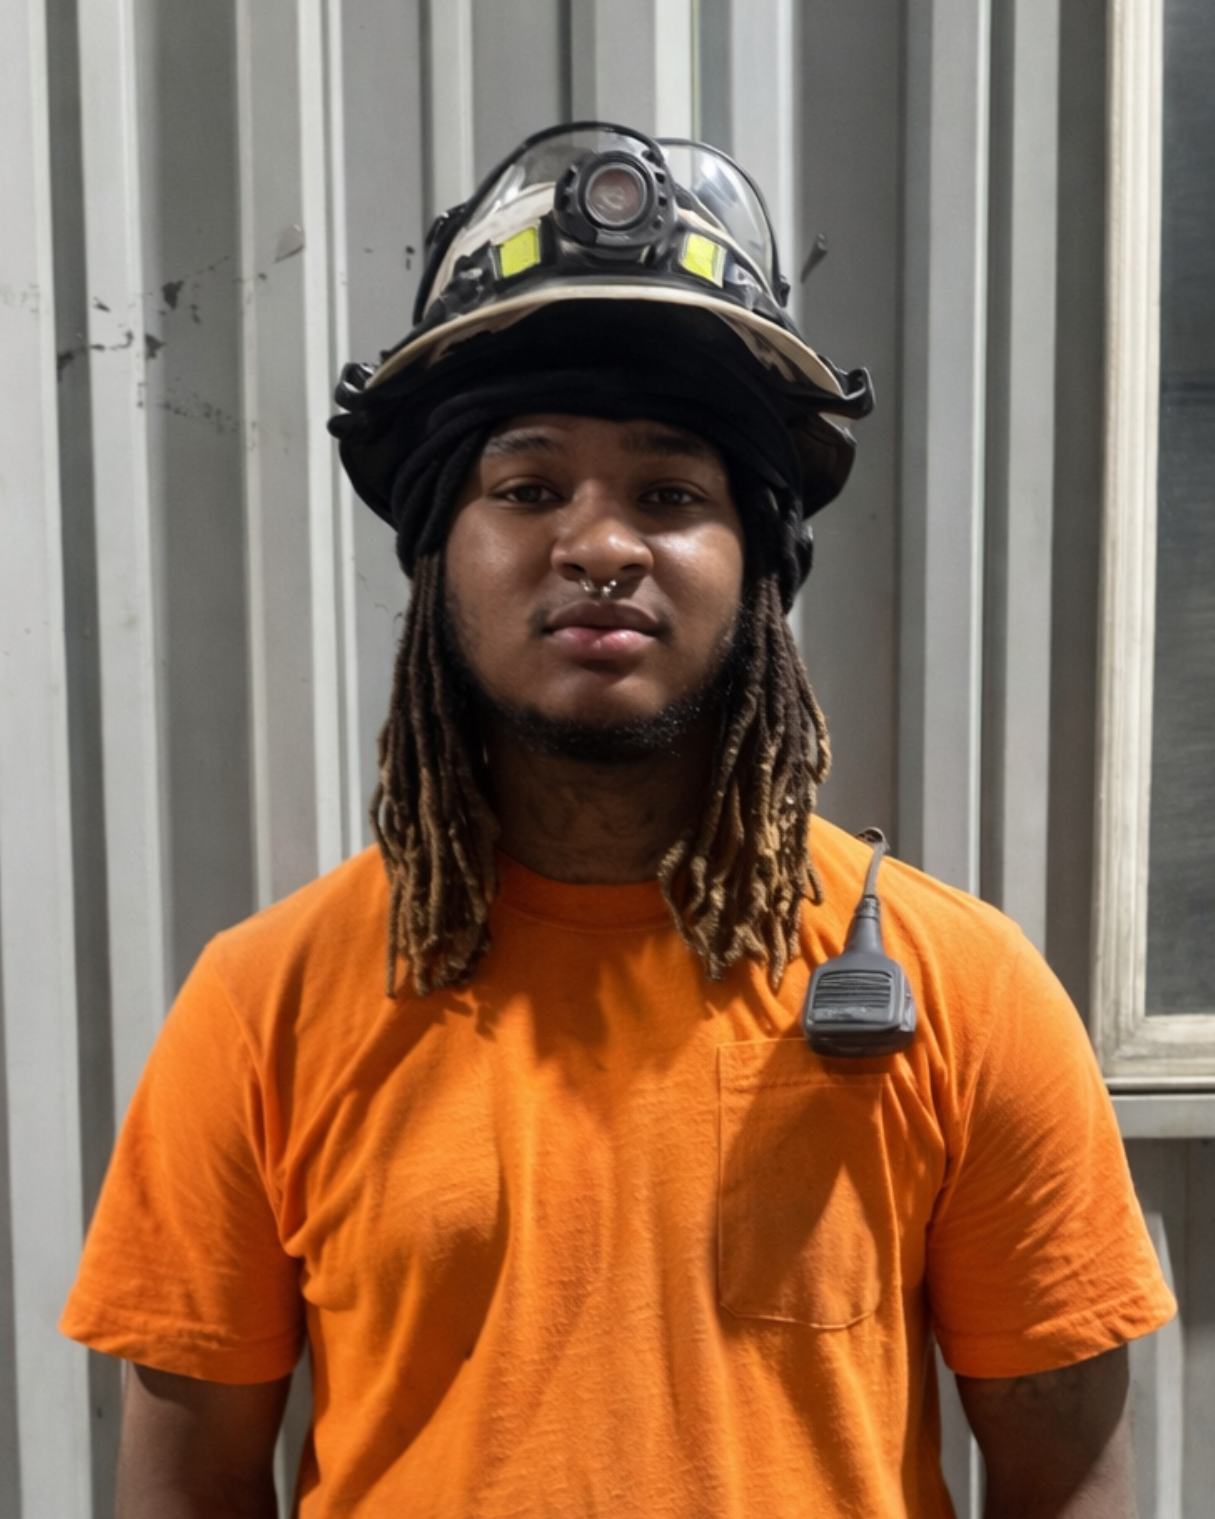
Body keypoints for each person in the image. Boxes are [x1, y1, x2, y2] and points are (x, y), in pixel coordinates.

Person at [63, 123, 1172, 1518]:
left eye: (671, 494)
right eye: (526, 489)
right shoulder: (264, 1007)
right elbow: (186, 1488)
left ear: (760, 561)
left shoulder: (962, 989)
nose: (598, 545)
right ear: (437, 556)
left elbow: (1066, 1480)